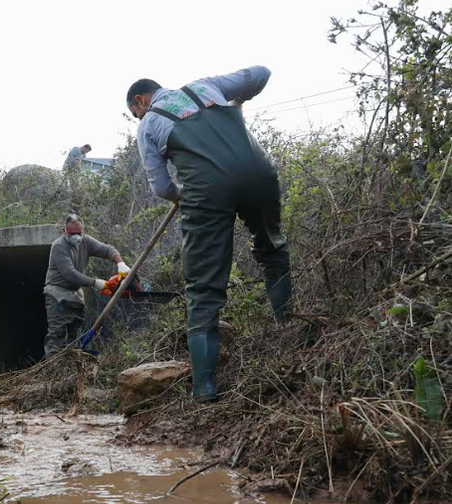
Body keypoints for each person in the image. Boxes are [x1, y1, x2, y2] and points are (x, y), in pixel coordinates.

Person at [126, 66, 293, 402]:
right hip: (258, 174)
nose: (137, 117)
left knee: (203, 289)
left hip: (207, 193)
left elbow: (160, 187)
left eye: (135, 112)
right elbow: (261, 73)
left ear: (142, 100)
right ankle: (290, 335)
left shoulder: (148, 125)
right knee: (272, 249)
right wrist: (238, 96)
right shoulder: (206, 86)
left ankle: (204, 388)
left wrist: (184, 195)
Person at [42, 214, 130, 358]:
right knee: (57, 335)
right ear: (64, 231)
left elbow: (107, 249)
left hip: (75, 293)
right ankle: (53, 371)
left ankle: (71, 370)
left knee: (75, 336)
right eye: (72, 234)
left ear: (83, 231)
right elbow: (70, 274)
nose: (76, 237)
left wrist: (120, 263)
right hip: (57, 293)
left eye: (79, 233)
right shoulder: (59, 246)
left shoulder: (86, 241)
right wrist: (96, 283)